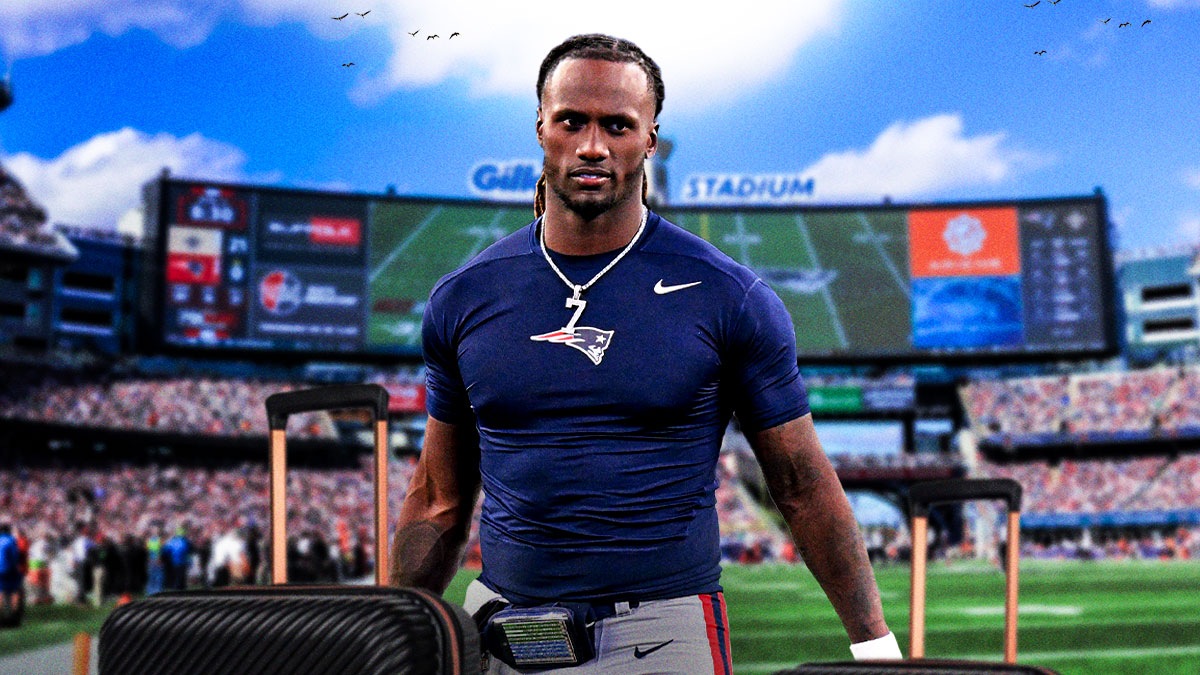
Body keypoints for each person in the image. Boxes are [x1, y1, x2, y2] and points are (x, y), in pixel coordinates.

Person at [390, 33, 900, 673]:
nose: (593, 145)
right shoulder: (464, 298)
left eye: (618, 125)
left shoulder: (728, 295)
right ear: (541, 128)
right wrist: (396, 633)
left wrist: (876, 647)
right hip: (504, 636)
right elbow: (439, 498)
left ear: (650, 139)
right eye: (572, 121)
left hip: (664, 634)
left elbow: (800, 484)